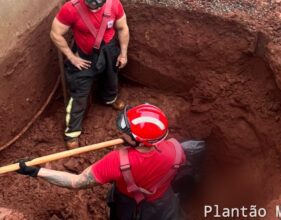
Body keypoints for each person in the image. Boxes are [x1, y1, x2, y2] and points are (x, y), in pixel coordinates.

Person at [16, 104, 186, 220]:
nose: (120, 133)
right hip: (164, 204)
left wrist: (37, 171)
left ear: (140, 141)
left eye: (126, 131)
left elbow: (76, 182)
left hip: (126, 205)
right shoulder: (176, 149)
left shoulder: (117, 161)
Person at [50, 0, 130, 149]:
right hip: (85, 55)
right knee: (79, 94)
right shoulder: (71, 9)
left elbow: (122, 28)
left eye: (98, 5)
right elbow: (55, 33)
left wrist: (123, 54)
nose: (95, 9)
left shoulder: (114, 4)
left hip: (109, 49)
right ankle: (72, 132)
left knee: (111, 78)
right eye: (91, 5)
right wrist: (72, 57)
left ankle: (109, 99)